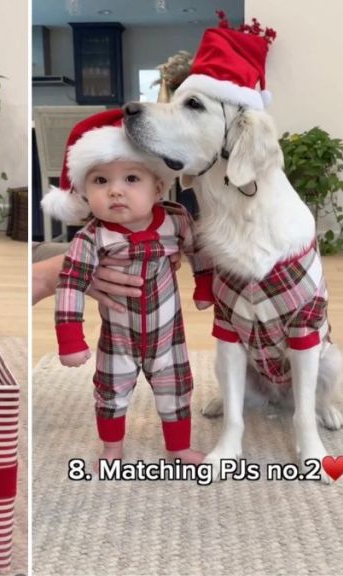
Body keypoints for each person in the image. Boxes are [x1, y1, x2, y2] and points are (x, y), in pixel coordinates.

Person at [40, 109, 214, 466]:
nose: (115, 191)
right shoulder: (91, 237)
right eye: (100, 181)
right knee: (110, 390)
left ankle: (179, 445)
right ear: (85, 194)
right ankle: (112, 447)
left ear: (159, 187)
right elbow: (71, 283)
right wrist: (70, 337)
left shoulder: (176, 219)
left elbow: (197, 249)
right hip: (118, 338)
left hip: (169, 338)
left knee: (177, 387)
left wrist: (205, 284)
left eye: (131, 178)